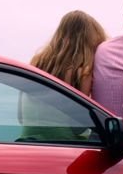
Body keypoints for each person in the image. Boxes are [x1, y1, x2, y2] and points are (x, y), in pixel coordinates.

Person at [22, 10, 109, 142]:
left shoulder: (36, 62)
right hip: (63, 144)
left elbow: (20, 117)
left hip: (28, 139)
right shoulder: (82, 73)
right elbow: (78, 125)